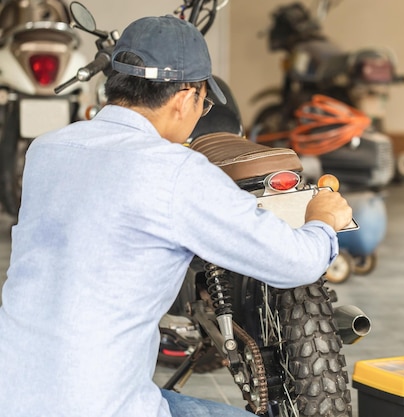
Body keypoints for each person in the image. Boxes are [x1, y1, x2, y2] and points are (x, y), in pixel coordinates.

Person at [0, 15, 352, 417]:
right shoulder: (175, 170)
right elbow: (296, 262)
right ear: (186, 97)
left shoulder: (46, 151)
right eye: (203, 102)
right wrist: (322, 220)